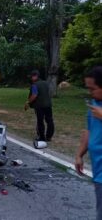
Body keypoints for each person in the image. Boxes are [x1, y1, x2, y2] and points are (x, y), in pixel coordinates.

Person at [75, 66, 102, 220]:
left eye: (93, 89)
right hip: (98, 171)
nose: (90, 93)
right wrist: (79, 154)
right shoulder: (94, 103)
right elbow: (89, 131)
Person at [24, 70, 55, 142]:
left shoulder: (35, 85)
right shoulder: (46, 83)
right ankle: (49, 137)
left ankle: (42, 137)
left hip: (39, 106)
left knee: (40, 121)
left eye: (32, 76)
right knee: (49, 120)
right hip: (48, 105)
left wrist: (28, 102)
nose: (31, 78)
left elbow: (34, 95)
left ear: (35, 76)